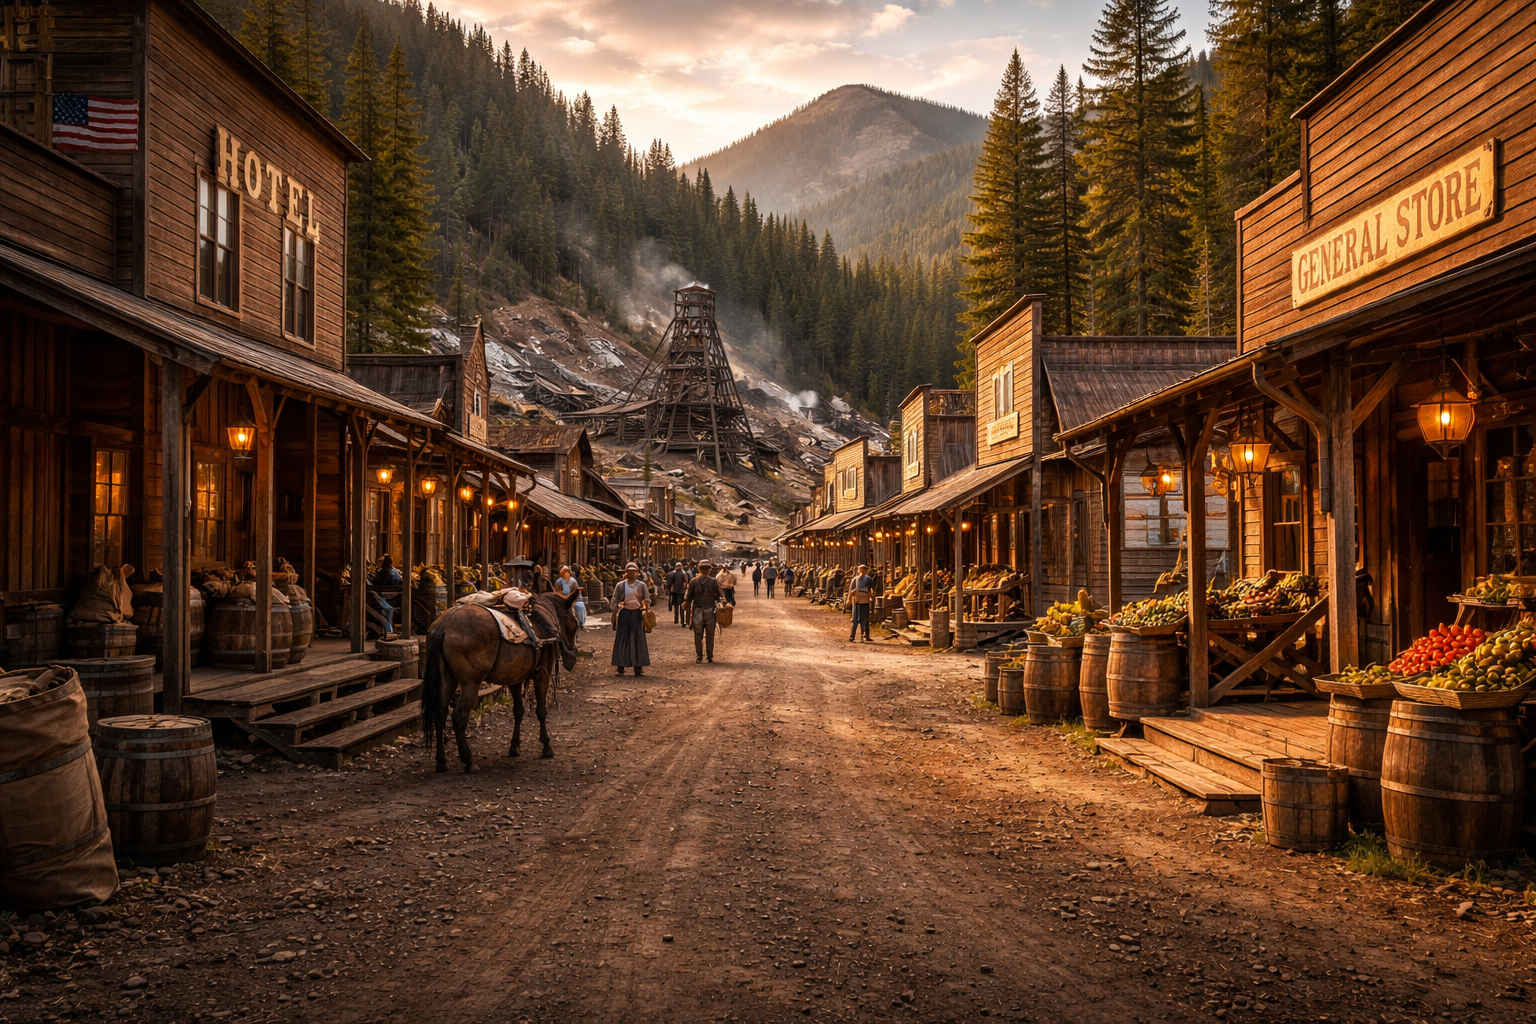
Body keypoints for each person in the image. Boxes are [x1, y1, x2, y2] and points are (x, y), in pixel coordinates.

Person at [610, 563, 651, 676]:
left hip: (637, 614)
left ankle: (638, 666)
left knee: (638, 639)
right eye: (629, 572)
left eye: (633, 572)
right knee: (622, 638)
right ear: (626, 573)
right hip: (624, 614)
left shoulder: (642, 585)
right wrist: (614, 615)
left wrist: (647, 614)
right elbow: (615, 600)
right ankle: (620, 665)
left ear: (636, 572)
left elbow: (647, 599)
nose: (631, 574)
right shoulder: (620, 585)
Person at [686, 560, 725, 664]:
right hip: (710, 610)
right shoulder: (713, 581)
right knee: (710, 635)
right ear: (709, 570)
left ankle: (699, 657)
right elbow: (719, 596)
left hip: (697, 610)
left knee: (698, 635)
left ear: (698, 569)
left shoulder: (693, 581)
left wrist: (687, 615)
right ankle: (709, 657)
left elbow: (689, 598)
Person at [368, 554, 402, 640]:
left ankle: (377, 628)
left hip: (384, 598)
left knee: (369, 602)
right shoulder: (396, 572)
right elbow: (400, 582)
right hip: (395, 597)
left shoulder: (382, 572)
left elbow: (376, 583)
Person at [847, 563, 877, 642]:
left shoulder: (868, 579)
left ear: (866, 571)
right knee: (855, 619)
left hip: (865, 600)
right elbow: (850, 590)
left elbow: (871, 589)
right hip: (857, 600)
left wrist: (871, 597)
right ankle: (852, 636)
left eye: (864, 569)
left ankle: (866, 635)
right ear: (859, 570)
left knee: (865, 618)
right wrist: (849, 599)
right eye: (861, 569)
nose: (862, 571)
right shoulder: (855, 579)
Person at [555, 565, 586, 629]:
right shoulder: (559, 581)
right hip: (562, 598)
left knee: (579, 606)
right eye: (565, 573)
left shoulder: (573, 581)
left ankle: (580, 623)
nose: (567, 574)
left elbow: (576, 591)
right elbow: (557, 592)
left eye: (568, 573)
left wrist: (575, 597)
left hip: (572, 599)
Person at [666, 561, 689, 625]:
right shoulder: (684, 573)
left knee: (676, 605)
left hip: (674, 592)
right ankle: (682, 621)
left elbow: (669, 583)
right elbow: (687, 582)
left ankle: (676, 619)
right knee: (682, 606)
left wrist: (669, 589)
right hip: (682, 591)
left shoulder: (672, 573)